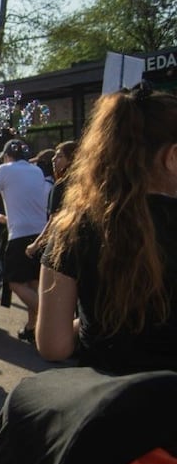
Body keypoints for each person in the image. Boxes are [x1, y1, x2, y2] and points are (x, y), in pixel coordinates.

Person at [37, 83, 177, 373]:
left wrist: (94, 319)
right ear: (172, 157)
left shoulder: (72, 227)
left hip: (111, 395)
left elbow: (53, 345)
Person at [0, 138, 50, 344]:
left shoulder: (5, 169)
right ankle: (32, 328)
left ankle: (50, 315)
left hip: (20, 234)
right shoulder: (36, 171)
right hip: (41, 233)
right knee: (33, 282)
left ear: (7, 156)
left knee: (14, 281)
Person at [25, 140, 78, 259]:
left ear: (71, 159)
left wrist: (35, 245)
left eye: (60, 156)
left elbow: (53, 221)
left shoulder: (60, 186)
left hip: (63, 243)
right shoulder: (85, 183)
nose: (53, 160)